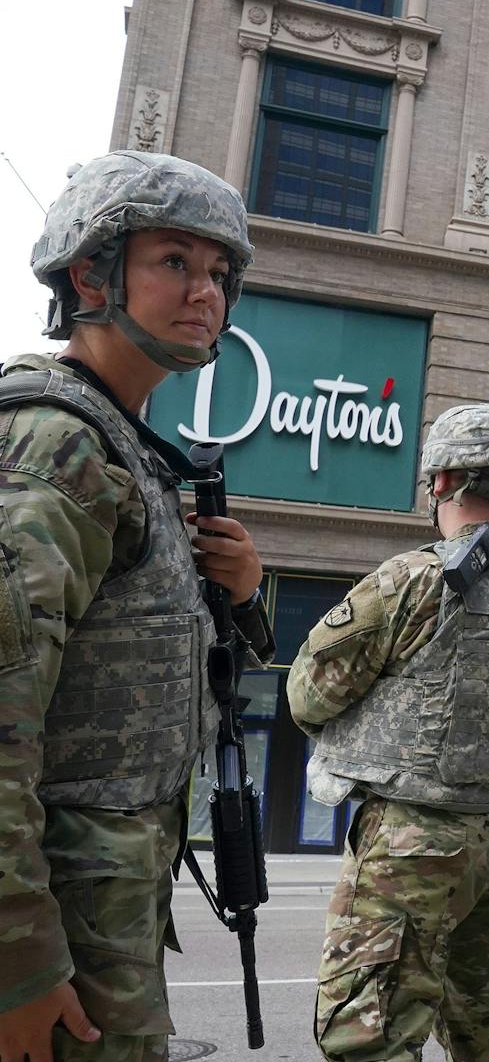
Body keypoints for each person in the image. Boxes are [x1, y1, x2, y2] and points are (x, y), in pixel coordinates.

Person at [0, 150, 274, 1062]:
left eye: (220, 274)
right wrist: (18, 964)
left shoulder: (130, 452)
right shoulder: (58, 446)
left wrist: (236, 597)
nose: (207, 293)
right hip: (55, 931)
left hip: (102, 908)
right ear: (91, 274)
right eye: (174, 262)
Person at [287, 404, 489, 1062]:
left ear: (439, 482)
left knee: (372, 1035)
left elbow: (307, 693)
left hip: (416, 840)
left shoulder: (412, 579)